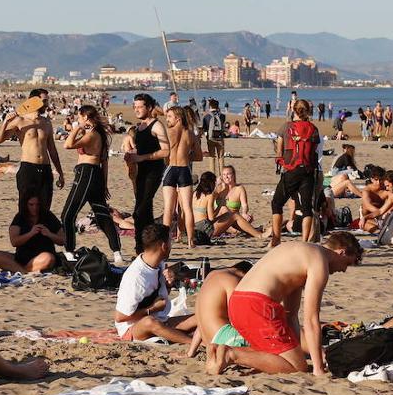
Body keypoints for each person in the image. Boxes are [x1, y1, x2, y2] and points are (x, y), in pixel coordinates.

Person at [205, 232, 363, 375]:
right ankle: (231, 353)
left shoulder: (302, 251)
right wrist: (318, 368)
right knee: (297, 368)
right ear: (341, 252)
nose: (343, 270)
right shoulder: (319, 262)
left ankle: (225, 351)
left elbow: (291, 315)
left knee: (289, 359)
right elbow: (311, 320)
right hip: (257, 305)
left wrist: (308, 353)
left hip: (238, 303)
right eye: (347, 264)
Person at [114, 223, 195, 343]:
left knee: (201, 316)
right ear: (163, 246)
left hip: (161, 321)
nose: (171, 245)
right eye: (170, 241)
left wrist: (168, 284)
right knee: (150, 322)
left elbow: (160, 299)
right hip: (133, 329)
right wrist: (152, 309)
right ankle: (194, 343)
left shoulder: (159, 264)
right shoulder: (136, 277)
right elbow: (120, 317)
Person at [59, 105, 121, 260]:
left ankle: (69, 250)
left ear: (85, 117)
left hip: (86, 173)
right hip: (96, 174)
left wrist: (77, 128)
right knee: (102, 215)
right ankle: (117, 252)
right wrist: (104, 183)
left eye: (79, 117)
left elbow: (67, 144)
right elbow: (104, 162)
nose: (78, 119)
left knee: (68, 214)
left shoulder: (93, 134)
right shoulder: (98, 134)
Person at [0, 88, 65, 213]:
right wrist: (5, 122)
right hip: (28, 169)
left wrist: (60, 172)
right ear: (34, 101)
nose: (47, 104)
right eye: (44, 101)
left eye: (47, 101)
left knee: (44, 208)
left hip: (45, 168)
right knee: (26, 209)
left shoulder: (47, 123)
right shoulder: (20, 121)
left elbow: (52, 150)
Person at [270, 99, 320, 246]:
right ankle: (305, 241)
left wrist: (280, 160)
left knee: (277, 203)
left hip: (291, 169)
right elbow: (315, 150)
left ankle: (276, 238)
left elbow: (279, 150)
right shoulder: (313, 128)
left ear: (293, 110)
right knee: (306, 207)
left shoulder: (286, 127)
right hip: (308, 170)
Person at [124, 94, 170, 254]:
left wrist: (141, 157)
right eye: (134, 106)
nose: (136, 109)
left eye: (140, 106)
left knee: (139, 211)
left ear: (149, 108)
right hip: (141, 172)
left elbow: (166, 151)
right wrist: (131, 154)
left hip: (154, 172)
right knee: (145, 212)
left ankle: (140, 249)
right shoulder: (139, 128)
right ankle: (152, 247)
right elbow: (142, 150)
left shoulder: (157, 126)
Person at [0, 194, 64, 274]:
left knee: (49, 258)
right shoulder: (20, 217)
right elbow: (14, 242)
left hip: (41, 257)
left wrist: (49, 234)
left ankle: (20, 271)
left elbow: (63, 240)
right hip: (21, 257)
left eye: (37, 205)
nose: (34, 208)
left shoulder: (48, 216)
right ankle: (24, 271)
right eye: (31, 205)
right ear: (26, 205)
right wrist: (30, 233)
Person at [161, 105, 197, 248]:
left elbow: (163, 153)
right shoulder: (191, 134)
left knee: (168, 209)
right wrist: (187, 155)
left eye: (169, 116)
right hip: (184, 169)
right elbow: (199, 155)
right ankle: (190, 241)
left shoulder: (168, 133)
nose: (167, 119)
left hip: (170, 169)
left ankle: (165, 241)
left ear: (178, 118)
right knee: (187, 208)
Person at [201, 98, 226, 173]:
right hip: (220, 138)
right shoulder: (222, 116)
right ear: (218, 107)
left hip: (210, 139)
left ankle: (212, 175)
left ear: (210, 106)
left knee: (212, 157)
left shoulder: (206, 117)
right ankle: (222, 175)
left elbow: (204, 128)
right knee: (221, 157)